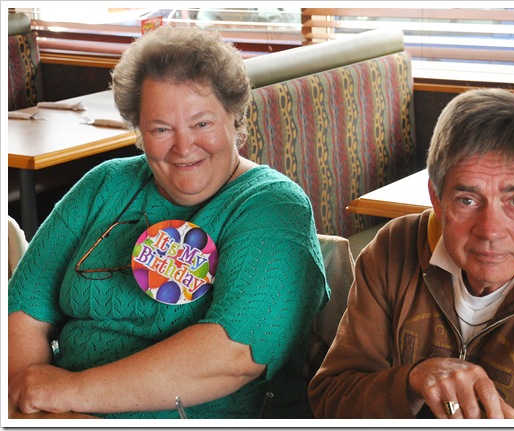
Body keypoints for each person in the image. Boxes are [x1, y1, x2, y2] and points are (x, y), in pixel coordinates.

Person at [8, 26, 329, 419]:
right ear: (139, 131)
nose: (183, 146)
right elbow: (23, 309)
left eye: (202, 124)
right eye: (161, 129)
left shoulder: (270, 205)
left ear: (234, 117)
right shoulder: (106, 184)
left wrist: (68, 393)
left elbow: (233, 355)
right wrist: (29, 402)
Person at [308, 88, 514, 419]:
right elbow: (331, 400)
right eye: (467, 200)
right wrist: (412, 380)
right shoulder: (394, 248)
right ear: (437, 199)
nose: (490, 230)